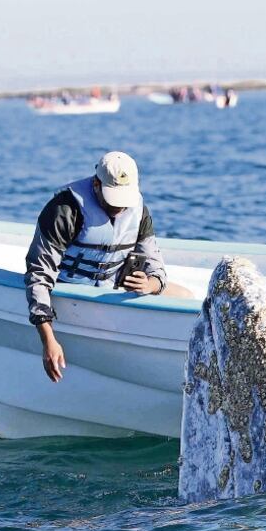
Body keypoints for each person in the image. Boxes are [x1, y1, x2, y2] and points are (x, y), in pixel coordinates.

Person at [25, 151, 192, 382]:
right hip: (72, 291)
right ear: (96, 184)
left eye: (124, 200)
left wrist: (151, 284)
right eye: (113, 199)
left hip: (112, 290)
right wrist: (48, 340)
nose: (120, 208)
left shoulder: (138, 212)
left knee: (186, 297)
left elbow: (155, 265)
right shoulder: (63, 210)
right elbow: (39, 275)